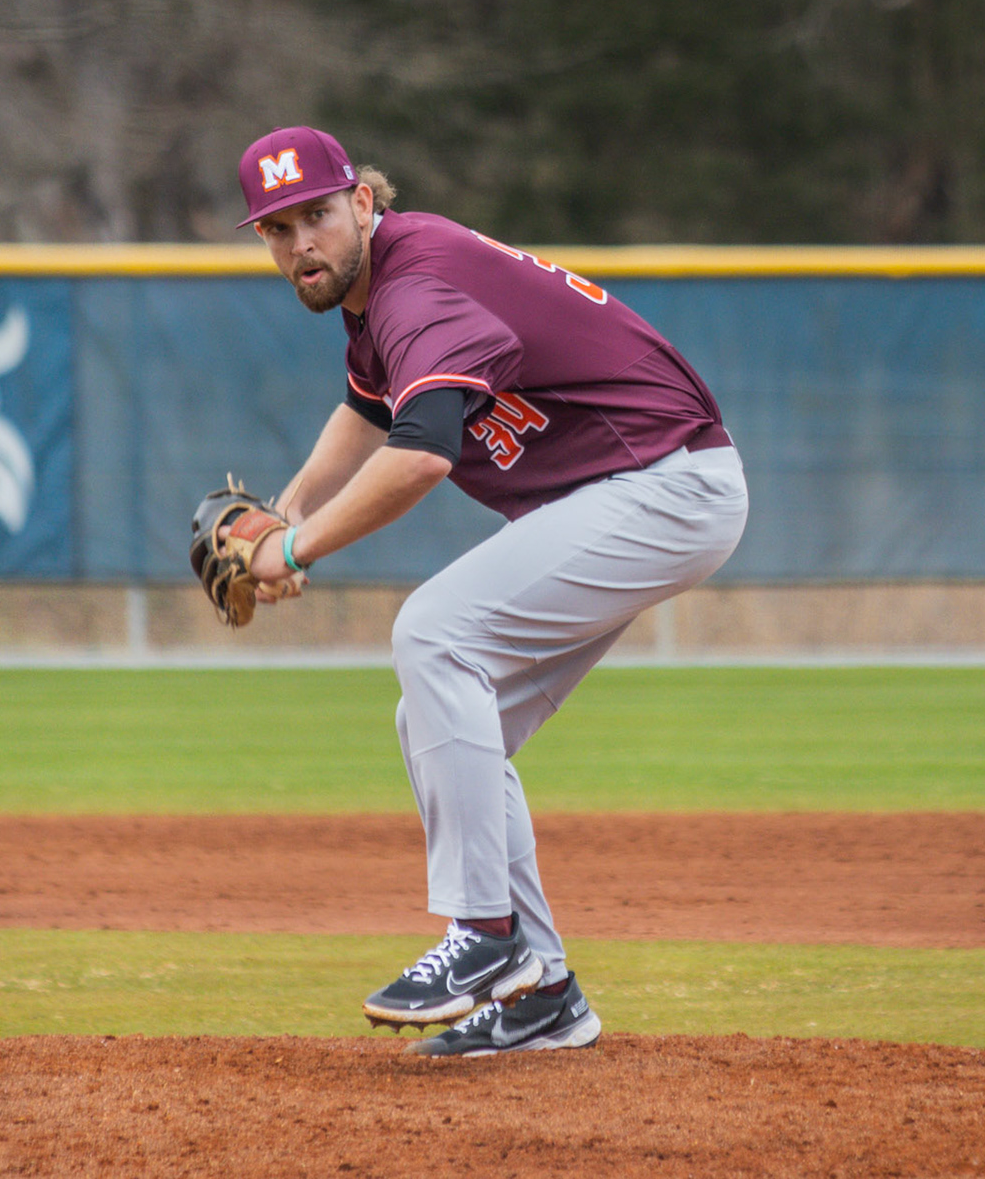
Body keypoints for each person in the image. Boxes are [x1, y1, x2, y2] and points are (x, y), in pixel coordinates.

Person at [232, 127, 748, 1056]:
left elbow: (421, 453)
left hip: (662, 483)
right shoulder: (379, 290)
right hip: (633, 489)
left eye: (317, 215)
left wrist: (296, 549)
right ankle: (543, 993)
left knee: (434, 633)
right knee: (440, 721)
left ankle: (484, 934)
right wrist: (286, 509)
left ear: (362, 202)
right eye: (277, 228)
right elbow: (369, 408)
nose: (300, 243)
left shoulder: (413, 286)